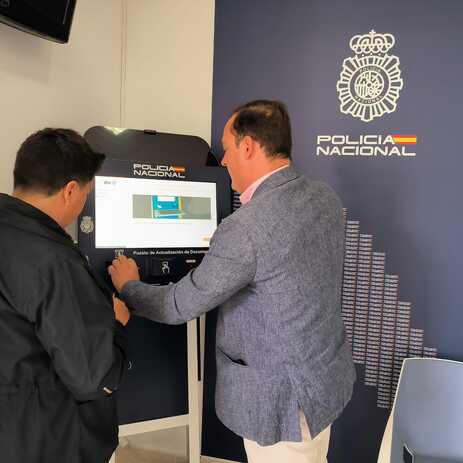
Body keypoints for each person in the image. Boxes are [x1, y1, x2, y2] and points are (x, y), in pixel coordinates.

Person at [109, 100, 356, 463]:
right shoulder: (325, 198)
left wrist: (129, 286)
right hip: (321, 387)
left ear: (248, 146)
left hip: (280, 407)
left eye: (226, 149)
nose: (223, 161)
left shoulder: (245, 227)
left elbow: (178, 306)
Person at [0, 128, 130, 463]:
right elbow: (92, 378)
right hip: (46, 437)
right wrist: (116, 326)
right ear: (70, 190)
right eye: (86, 194)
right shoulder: (55, 260)